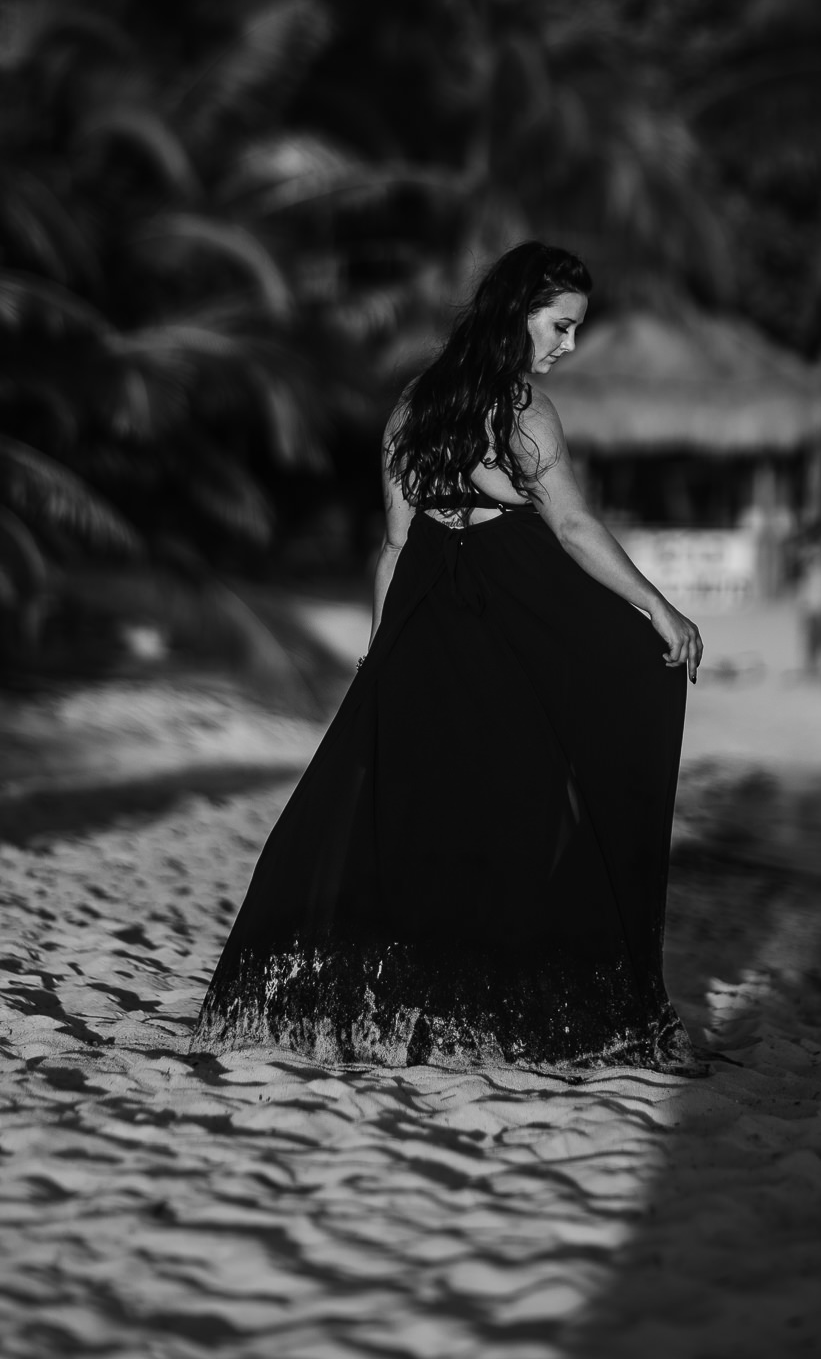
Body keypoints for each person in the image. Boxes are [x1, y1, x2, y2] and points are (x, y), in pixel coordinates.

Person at [191, 242, 707, 1072]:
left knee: (432, 807)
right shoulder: (522, 409)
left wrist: (379, 652)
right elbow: (571, 528)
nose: (568, 345)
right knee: (526, 805)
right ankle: (529, 1005)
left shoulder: (412, 405)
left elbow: (395, 547)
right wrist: (658, 607)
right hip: (505, 629)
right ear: (517, 313)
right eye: (560, 326)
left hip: (428, 627)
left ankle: (448, 999)